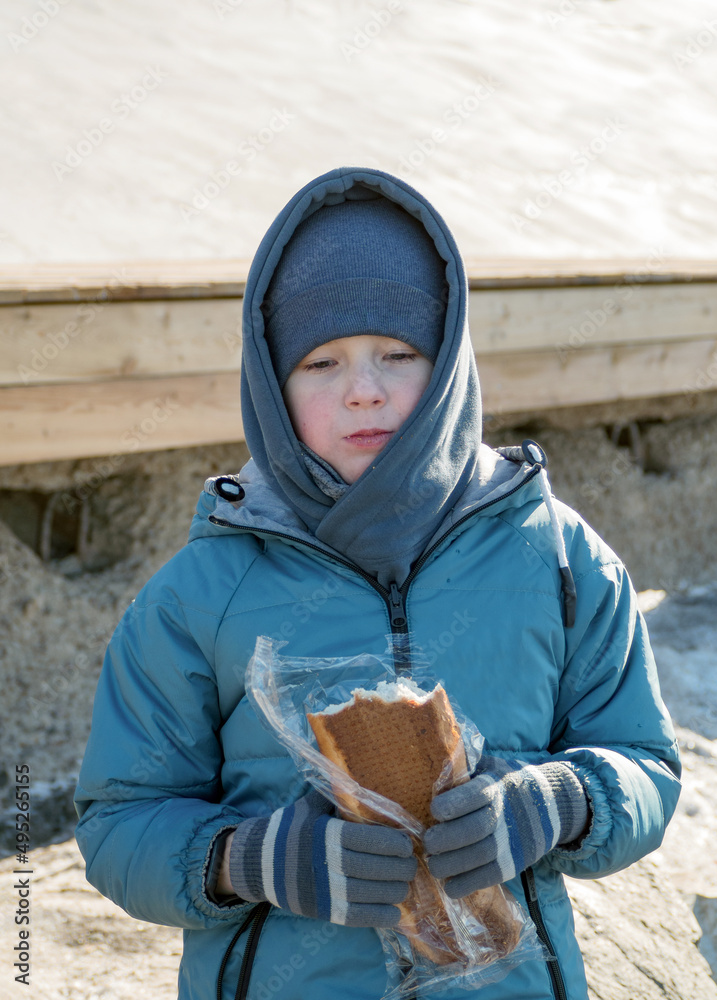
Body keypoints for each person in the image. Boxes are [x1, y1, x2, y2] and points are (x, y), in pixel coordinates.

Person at [75, 166, 681, 1000]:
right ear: (270, 385)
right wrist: (251, 861)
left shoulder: (560, 560)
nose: (365, 389)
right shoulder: (197, 596)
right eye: (320, 363)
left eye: (399, 353)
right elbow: (118, 822)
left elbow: (646, 761)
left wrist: (558, 801)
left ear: (450, 361)